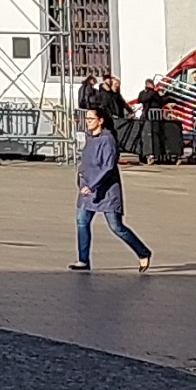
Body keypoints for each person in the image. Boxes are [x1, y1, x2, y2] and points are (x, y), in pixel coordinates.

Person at [72, 104, 153, 273]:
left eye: (91, 119)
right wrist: (80, 179)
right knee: (82, 222)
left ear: (100, 121)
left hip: (106, 190)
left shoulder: (107, 139)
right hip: (87, 189)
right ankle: (83, 260)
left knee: (116, 227)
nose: (87, 122)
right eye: (86, 119)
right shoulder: (89, 137)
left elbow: (108, 167)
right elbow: (86, 162)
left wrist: (93, 185)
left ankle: (142, 252)